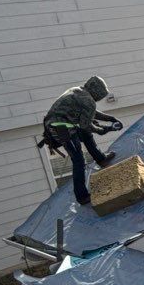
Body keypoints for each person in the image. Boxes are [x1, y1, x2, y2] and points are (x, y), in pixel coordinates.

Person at [40, 75, 123, 205]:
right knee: (78, 160)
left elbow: (91, 112)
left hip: (59, 124)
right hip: (62, 130)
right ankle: (82, 196)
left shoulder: (79, 91)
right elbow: (86, 125)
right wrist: (105, 129)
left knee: (85, 134)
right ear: (97, 91)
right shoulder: (88, 99)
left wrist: (110, 119)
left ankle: (101, 158)